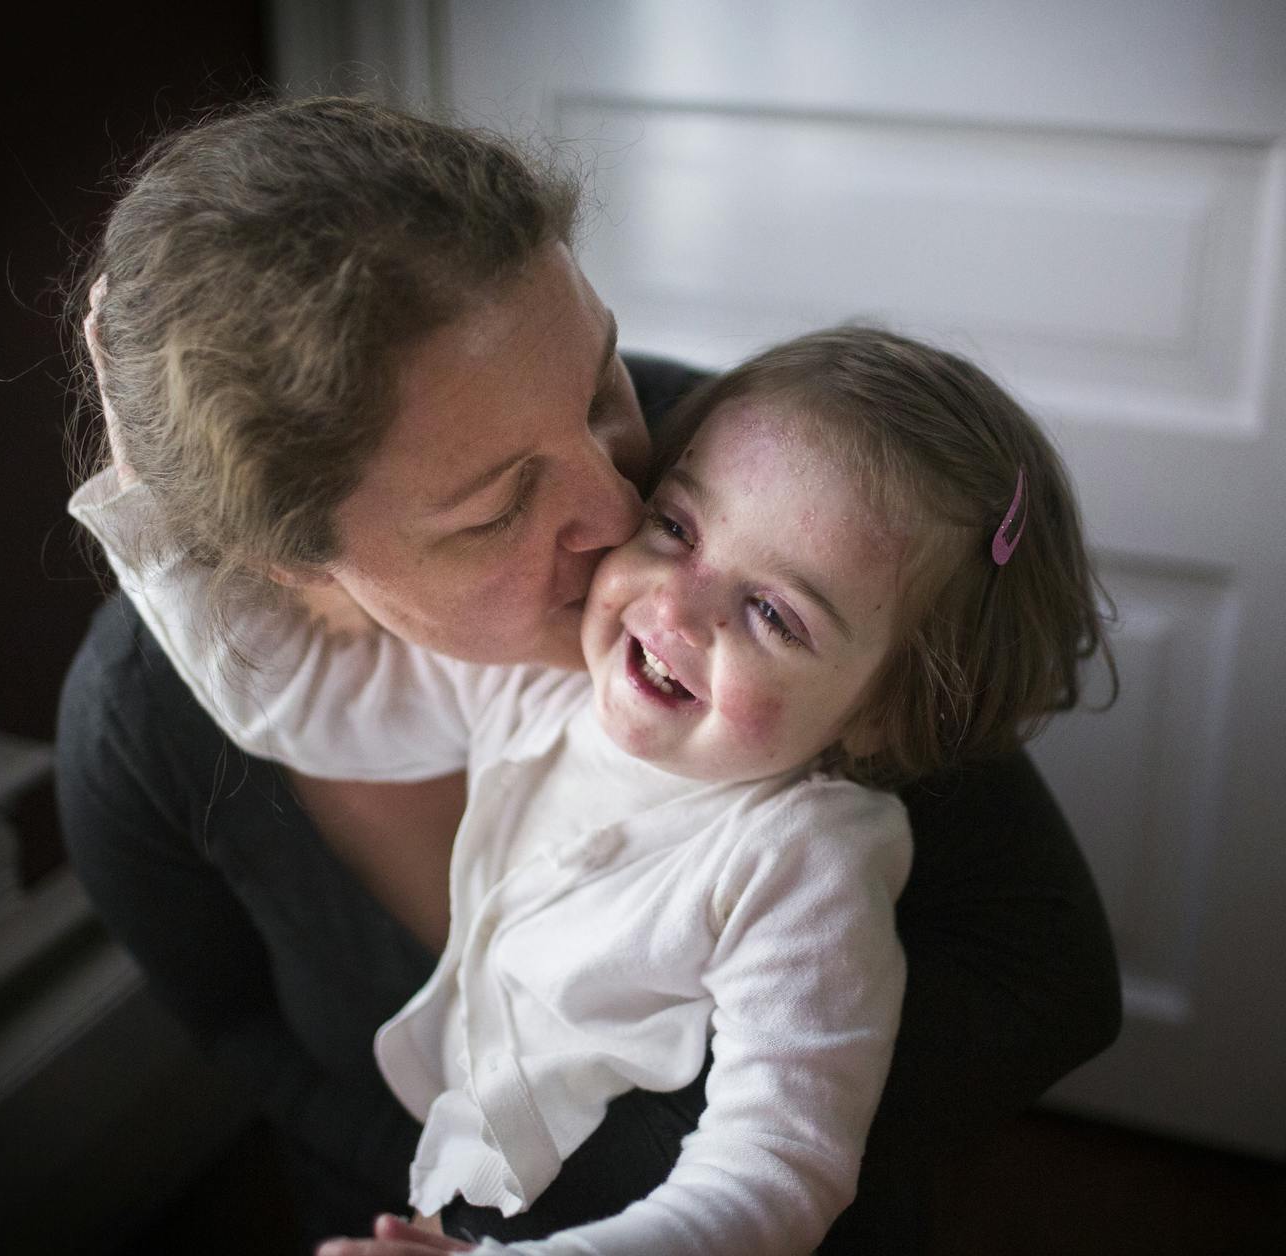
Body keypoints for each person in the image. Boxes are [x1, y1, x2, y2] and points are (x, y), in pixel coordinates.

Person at [56, 96, 1121, 1253]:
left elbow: (775, 1168)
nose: (625, 518)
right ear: (290, 553)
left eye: (600, 383)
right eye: (501, 504)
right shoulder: (525, 689)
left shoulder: (781, 537)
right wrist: (155, 511)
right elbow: (287, 704)